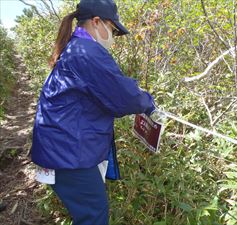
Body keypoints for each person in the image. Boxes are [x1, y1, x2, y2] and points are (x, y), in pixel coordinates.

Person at [30, 0, 155, 224]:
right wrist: (148, 102)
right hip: (69, 154)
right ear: (97, 22)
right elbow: (122, 97)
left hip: (62, 148)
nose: (113, 38)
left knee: (89, 214)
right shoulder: (86, 52)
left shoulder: (77, 47)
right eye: (113, 30)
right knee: (93, 217)